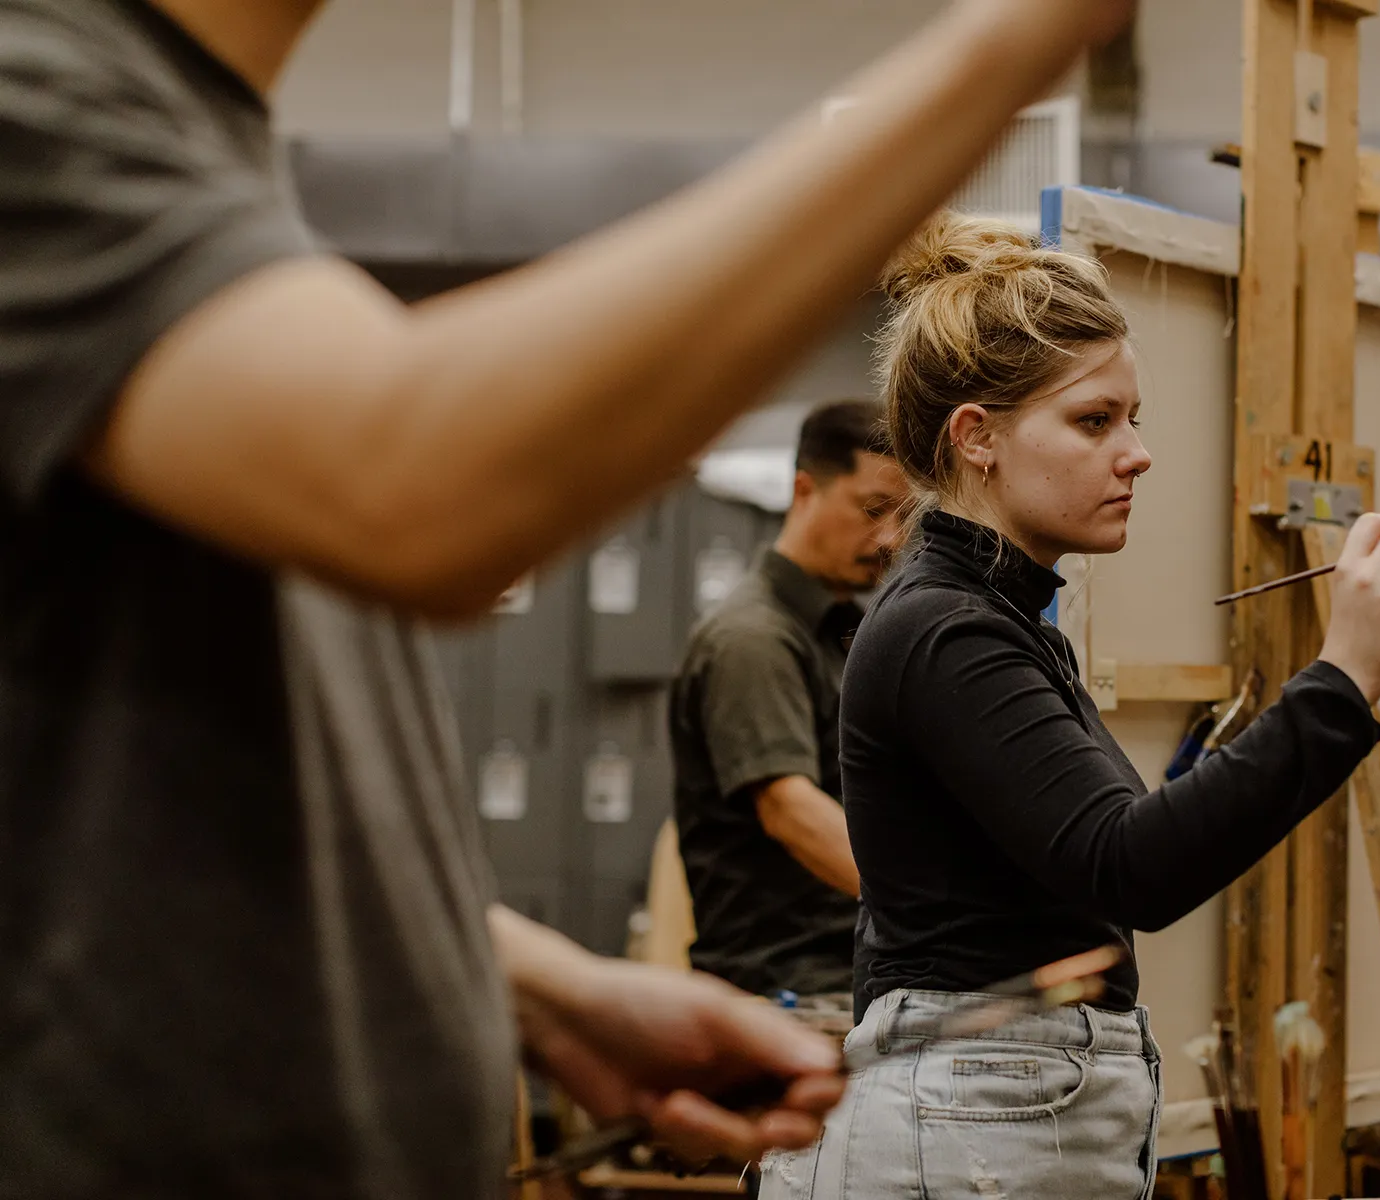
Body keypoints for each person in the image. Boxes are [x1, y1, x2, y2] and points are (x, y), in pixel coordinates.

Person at [0, 0, 1137, 1195]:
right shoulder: (37, 102)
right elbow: (417, 484)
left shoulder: (191, 142)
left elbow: (131, 791)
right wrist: (1020, 35)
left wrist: (551, 993)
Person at [758, 214, 1380, 1199]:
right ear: (977, 438)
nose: (1136, 454)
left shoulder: (996, 618)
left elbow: (1109, 857)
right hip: (972, 1125)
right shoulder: (948, 631)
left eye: (1133, 419)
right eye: (1094, 421)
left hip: (991, 1113)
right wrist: (1341, 681)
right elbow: (1131, 866)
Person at [670, 400, 901, 1003]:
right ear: (804, 490)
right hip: (786, 988)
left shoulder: (843, 633)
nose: (890, 538)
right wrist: (938, 909)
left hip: (851, 970)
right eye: (872, 510)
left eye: (903, 515)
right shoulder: (753, 638)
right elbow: (790, 811)